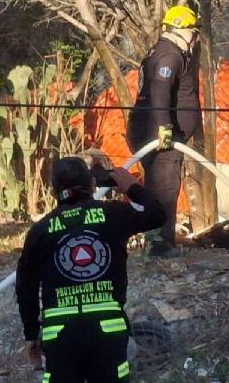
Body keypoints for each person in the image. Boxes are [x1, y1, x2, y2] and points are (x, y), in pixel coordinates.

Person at [16, 157, 166, 382]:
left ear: (53, 190)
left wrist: (31, 334)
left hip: (59, 332)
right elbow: (156, 214)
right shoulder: (113, 214)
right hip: (107, 329)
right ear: (92, 185)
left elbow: (25, 286)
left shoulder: (40, 231)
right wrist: (131, 187)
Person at [126, 5, 200, 258]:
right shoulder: (171, 56)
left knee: (160, 187)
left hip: (153, 131)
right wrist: (165, 127)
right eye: (193, 31)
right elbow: (159, 90)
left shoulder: (161, 51)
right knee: (164, 189)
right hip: (158, 134)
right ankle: (160, 246)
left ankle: (157, 240)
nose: (195, 37)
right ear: (181, 29)